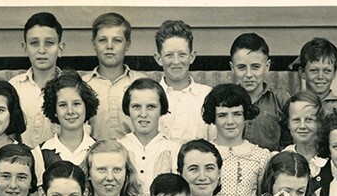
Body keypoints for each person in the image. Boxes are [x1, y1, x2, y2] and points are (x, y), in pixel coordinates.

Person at [203, 83, 273, 196]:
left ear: (246, 115)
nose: (230, 121)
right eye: (222, 115)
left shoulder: (260, 156)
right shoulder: (203, 153)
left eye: (237, 114)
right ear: (213, 118)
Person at [82, 12, 146, 141]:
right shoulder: (83, 84)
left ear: (127, 45)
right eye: (102, 40)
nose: (109, 46)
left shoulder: (141, 82)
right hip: (94, 155)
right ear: (94, 44)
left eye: (117, 40)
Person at [118, 78, 178, 196]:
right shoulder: (118, 148)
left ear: (162, 109)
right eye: (136, 107)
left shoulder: (174, 150)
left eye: (151, 107)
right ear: (127, 109)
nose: (143, 114)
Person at [10, 12, 66, 149]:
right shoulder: (15, 87)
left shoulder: (72, 88)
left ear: (60, 48)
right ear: (25, 48)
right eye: (34, 43)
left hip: (59, 163)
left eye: (49, 43)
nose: (42, 50)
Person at [154, 20, 212, 147]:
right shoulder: (150, 96)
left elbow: (215, 141)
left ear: (192, 56)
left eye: (182, 54)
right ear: (159, 58)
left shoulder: (208, 96)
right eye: (169, 55)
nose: (176, 61)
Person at [34, 69, 98, 184]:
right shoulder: (40, 153)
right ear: (54, 111)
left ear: (86, 106)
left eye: (76, 104)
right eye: (62, 105)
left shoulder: (98, 150)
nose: (70, 111)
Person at [230, 32, 288, 151]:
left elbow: (289, 144)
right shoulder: (226, 101)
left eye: (255, 67)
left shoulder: (281, 100)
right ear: (232, 68)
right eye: (241, 67)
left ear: (267, 66)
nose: (249, 74)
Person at [279, 91, 332, 191]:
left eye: (309, 119)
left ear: (319, 123)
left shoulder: (331, 161)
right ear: (288, 123)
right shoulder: (281, 160)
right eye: (296, 120)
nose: (302, 126)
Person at [297, 38, 337, 116]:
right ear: (302, 73)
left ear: (334, 73)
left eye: (327, 71)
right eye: (314, 70)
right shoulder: (292, 106)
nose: (320, 76)